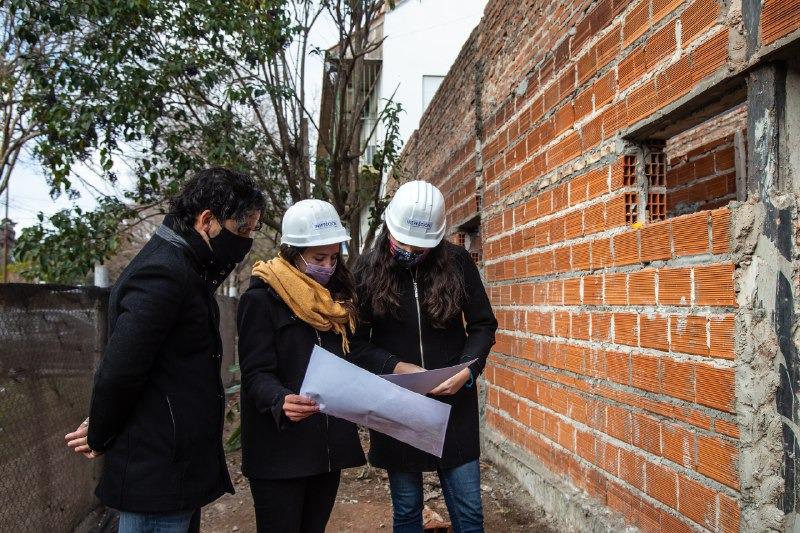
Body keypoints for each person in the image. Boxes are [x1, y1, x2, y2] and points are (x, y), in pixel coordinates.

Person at [64, 167, 265, 533]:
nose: (246, 241)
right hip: (158, 472)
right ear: (207, 221)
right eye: (241, 231)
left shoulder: (188, 266)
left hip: (176, 469)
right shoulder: (163, 273)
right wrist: (101, 433)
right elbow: (121, 369)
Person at [351, 180, 498, 533]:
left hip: (454, 406)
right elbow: (357, 344)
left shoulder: (458, 263)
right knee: (407, 512)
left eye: (421, 246)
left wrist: (466, 371)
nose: (411, 251)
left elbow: (482, 326)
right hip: (397, 404)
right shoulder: (365, 271)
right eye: (403, 243)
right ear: (389, 227)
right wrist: (398, 367)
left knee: (469, 514)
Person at [236, 199, 370, 533]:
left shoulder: (335, 302)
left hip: (325, 451)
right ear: (292, 254)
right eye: (318, 258)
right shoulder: (260, 300)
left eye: (334, 258)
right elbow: (255, 373)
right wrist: (279, 399)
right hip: (279, 453)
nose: (328, 266)